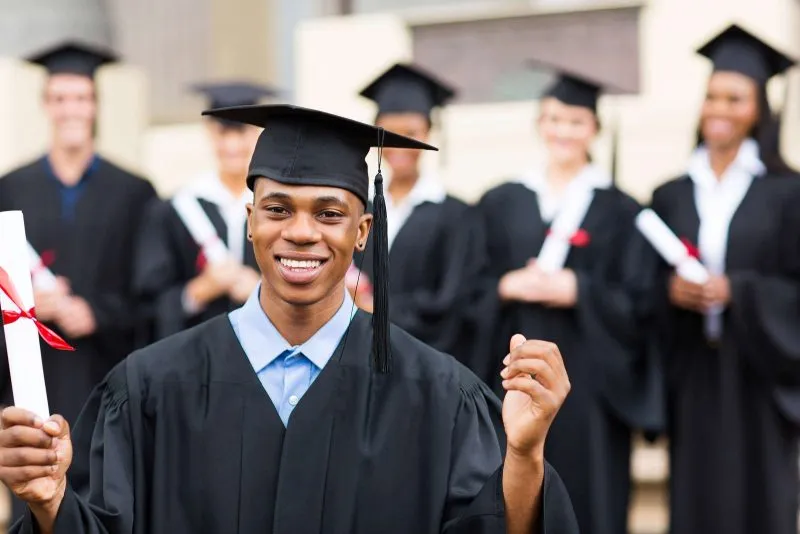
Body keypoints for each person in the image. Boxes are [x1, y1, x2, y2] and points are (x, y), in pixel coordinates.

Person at [0, 104, 579, 534]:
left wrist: (524, 456)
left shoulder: (438, 395)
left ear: (362, 232)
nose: (300, 231)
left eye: (329, 212)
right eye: (278, 209)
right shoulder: (149, 389)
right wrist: (50, 502)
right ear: (251, 221)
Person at [476, 68, 661, 534]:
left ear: (594, 129)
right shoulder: (501, 201)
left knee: (591, 495)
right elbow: (468, 288)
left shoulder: (621, 209)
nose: (564, 131)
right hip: (514, 376)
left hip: (590, 386)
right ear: (540, 124)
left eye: (576, 122)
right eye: (554, 119)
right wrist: (505, 286)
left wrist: (581, 290)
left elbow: (643, 303)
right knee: (515, 489)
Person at [647, 24, 800, 534]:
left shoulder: (786, 192)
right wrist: (670, 291)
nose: (720, 108)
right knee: (696, 504)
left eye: (736, 98)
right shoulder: (670, 192)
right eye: (712, 96)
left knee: (762, 502)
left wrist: (741, 290)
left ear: (760, 108)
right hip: (694, 373)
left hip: (759, 374)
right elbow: (644, 285)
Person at [0, 40, 156, 429]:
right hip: (30, 385)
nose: (71, 109)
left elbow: (152, 297)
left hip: (107, 384)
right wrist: (27, 305)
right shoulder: (10, 189)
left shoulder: (135, 192)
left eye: (82, 98)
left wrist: (97, 314)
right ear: (46, 105)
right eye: (60, 98)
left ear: (95, 105)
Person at [351, 63, 486, 364]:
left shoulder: (457, 215)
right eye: (389, 133)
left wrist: (377, 308)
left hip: (423, 364)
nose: (400, 144)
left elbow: (453, 302)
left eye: (411, 132)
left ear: (428, 133)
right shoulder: (359, 207)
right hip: (359, 356)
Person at [134, 81, 276, 341]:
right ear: (209, 132)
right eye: (223, 132)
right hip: (199, 357)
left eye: (242, 132)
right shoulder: (176, 210)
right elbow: (148, 305)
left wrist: (261, 290)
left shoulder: (279, 209)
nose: (232, 145)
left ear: (258, 133)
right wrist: (200, 290)